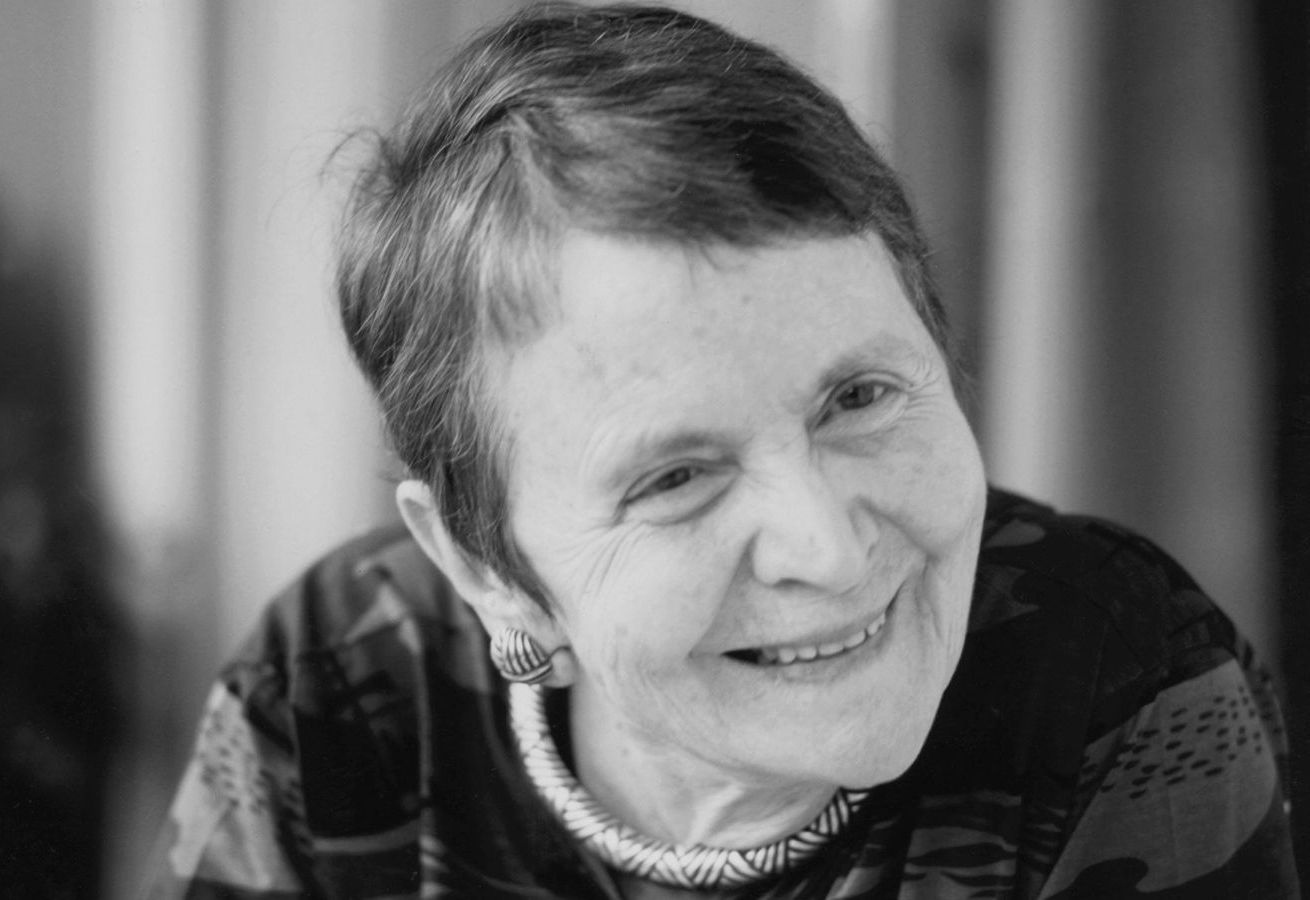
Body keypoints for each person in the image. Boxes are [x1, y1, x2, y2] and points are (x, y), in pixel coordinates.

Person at [143, 4, 1299, 898]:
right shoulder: (333, 691)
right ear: (485, 568)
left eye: (858, 396)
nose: (826, 548)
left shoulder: (1108, 677)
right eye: (676, 477)